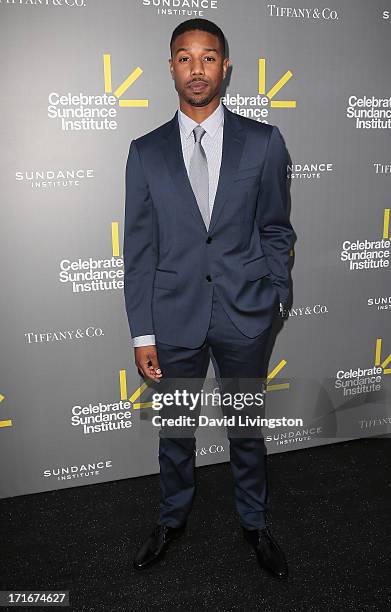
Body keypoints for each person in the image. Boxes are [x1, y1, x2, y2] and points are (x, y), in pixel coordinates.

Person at [123, 18, 295, 579]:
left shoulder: (263, 141)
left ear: (225, 66)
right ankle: (172, 520)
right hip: (173, 319)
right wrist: (143, 332)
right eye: (184, 57)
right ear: (170, 66)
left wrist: (275, 298)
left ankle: (255, 523)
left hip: (245, 317)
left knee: (246, 430)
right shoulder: (145, 152)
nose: (197, 68)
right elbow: (140, 249)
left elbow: (276, 229)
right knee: (175, 432)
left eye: (208, 57)